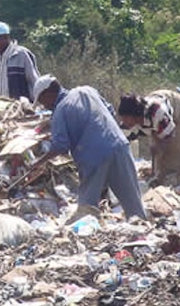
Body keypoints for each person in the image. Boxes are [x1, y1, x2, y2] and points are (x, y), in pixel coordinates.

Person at [34, 74, 147, 219]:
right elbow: (110, 111)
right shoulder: (87, 91)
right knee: (133, 202)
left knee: (87, 209)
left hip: (93, 157)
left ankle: (87, 236)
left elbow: (60, 146)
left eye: (42, 101)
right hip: (120, 146)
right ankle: (143, 231)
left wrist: (39, 162)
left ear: (48, 94)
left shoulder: (60, 111)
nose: (44, 106)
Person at [117, 90, 180, 186]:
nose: (123, 121)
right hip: (156, 120)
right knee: (156, 152)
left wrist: (161, 170)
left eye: (125, 118)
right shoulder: (129, 123)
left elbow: (168, 139)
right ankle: (156, 175)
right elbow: (122, 144)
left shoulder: (157, 112)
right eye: (122, 119)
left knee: (175, 156)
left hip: (176, 109)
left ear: (134, 115)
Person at [0, 21, 40, 102]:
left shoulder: (21, 55)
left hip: (20, 107)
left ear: (5, 37)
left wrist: (36, 103)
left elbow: (34, 81)